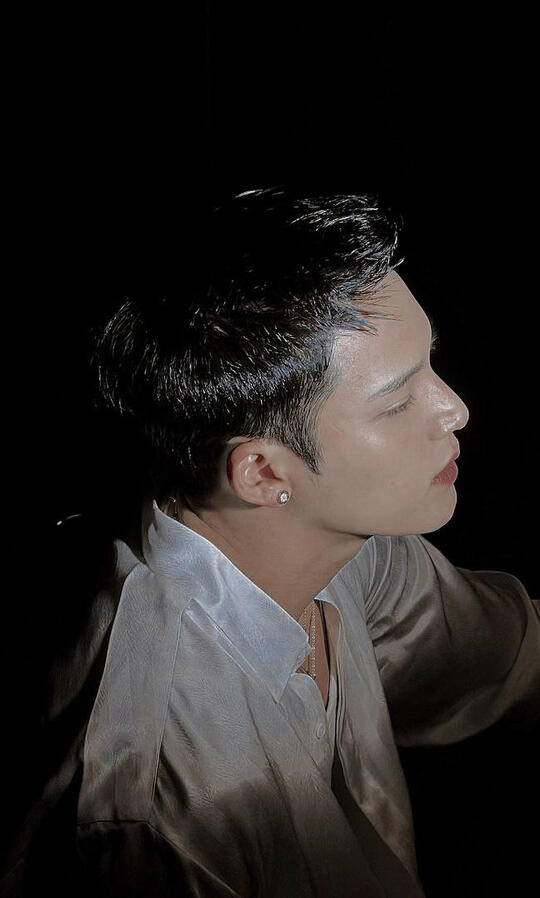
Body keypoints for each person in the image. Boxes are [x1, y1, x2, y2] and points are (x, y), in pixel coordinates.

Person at [5, 187, 539, 897]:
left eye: (431, 366)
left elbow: (499, 662)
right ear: (262, 472)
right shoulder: (162, 812)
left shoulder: (350, 542)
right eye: (397, 402)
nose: (457, 409)